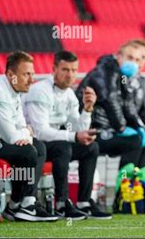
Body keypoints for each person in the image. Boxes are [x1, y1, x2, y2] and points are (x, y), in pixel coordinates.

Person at [24, 51, 112, 220]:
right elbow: (41, 131)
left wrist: (87, 109)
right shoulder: (40, 91)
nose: (70, 74)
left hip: (53, 144)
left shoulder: (70, 94)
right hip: (33, 144)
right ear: (54, 69)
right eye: (65, 69)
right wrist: (74, 136)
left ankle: (84, 202)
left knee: (91, 147)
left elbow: (79, 128)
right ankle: (62, 203)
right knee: (63, 147)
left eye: (74, 70)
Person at [0, 51, 58, 222]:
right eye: (26, 74)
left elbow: (22, 128)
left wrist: (25, 132)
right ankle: (17, 204)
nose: (32, 79)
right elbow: (12, 136)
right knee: (28, 151)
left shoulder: (14, 91)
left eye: (32, 74)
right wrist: (26, 132)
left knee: (38, 147)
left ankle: (24, 203)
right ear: (11, 75)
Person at [76, 41, 145, 170]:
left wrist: (140, 126)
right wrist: (122, 128)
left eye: (137, 60)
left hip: (108, 127)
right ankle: (124, 187)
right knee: (134, 142)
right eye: (130, 58)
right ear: (119, 56)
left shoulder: (124, 76)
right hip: (92, 129)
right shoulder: (105, 71)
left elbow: (128, 105)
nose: (133, 63)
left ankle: (139, 184)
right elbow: (110, 101)